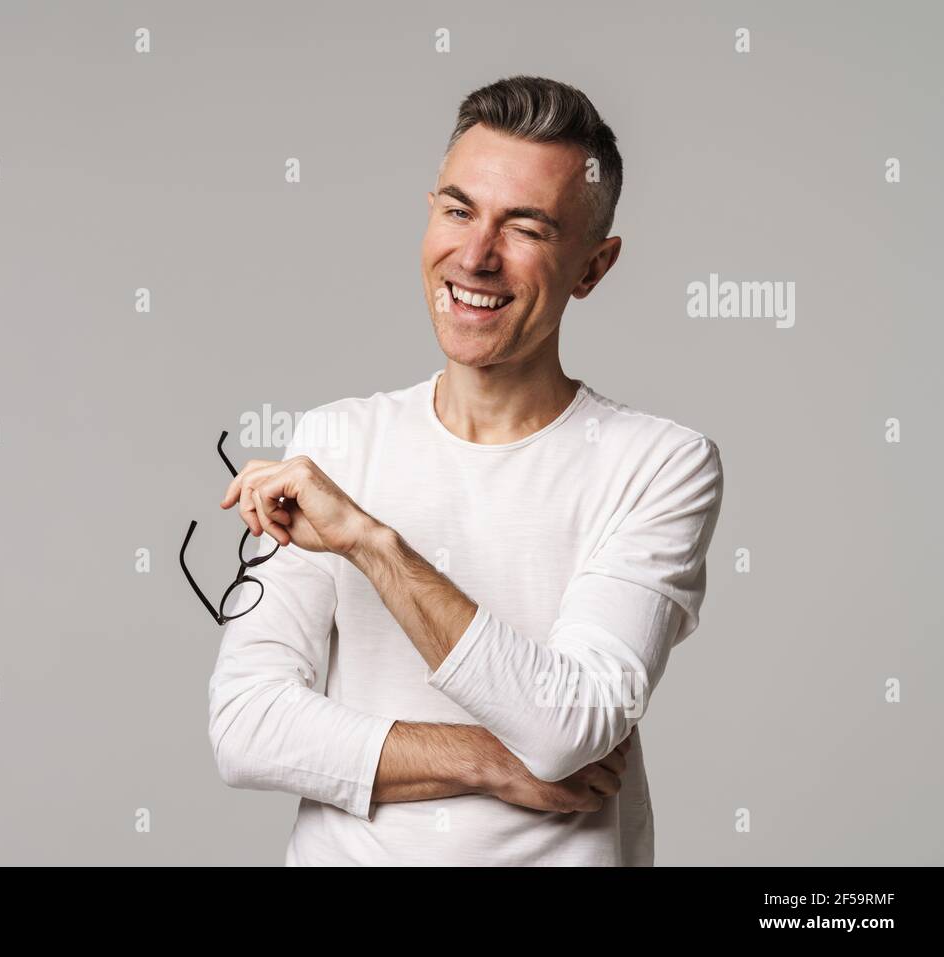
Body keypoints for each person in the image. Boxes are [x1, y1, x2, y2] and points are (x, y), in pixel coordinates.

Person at [206, 75, 724, 866]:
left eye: (526, 227)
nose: (476, 256)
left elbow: (567, 723)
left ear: (593, 266)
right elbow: (246, 727)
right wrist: (487, 758)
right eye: (458, 210)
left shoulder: (658, 464)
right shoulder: (332, 443)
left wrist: (374, 545)